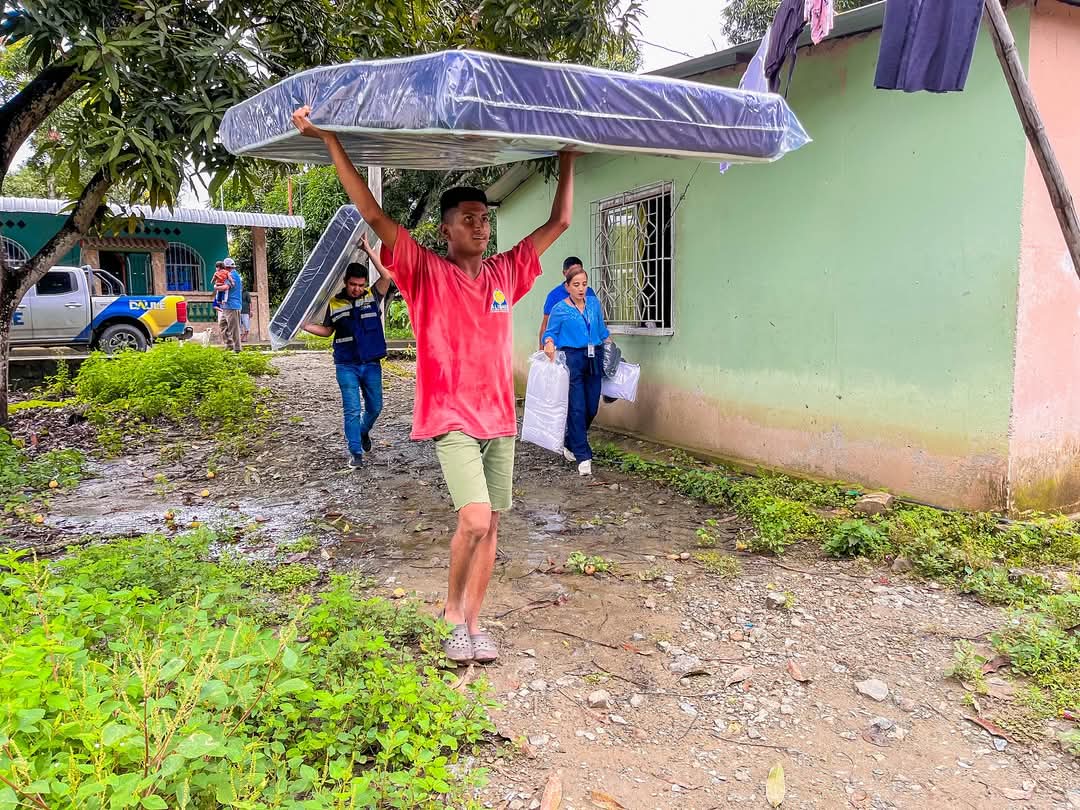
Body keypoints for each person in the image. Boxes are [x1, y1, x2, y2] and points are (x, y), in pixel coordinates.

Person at [291, 104, 577, 665]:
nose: (480, 226)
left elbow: (560, 222)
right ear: (446, 230)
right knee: (474, 517)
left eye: (484, 218)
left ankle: (474, 622)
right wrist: (329, 138)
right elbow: (371, 211)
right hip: (451, 417)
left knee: (492, 524)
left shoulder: (504, 272)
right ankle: (450, 613)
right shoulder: (424, 271)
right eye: (468, 218)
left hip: (500, 417)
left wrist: (568, 154)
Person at [301, 234, 392, 469]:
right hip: (346, 364)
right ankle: (355, 452)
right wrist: (304, 326)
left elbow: (386, 276)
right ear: (345, 282)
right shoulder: (334, 303)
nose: (357, 289)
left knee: (375, 407)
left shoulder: (372, 296)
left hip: (371, 364)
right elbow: (327, 331)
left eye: (361, 285)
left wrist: (368, 249)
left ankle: (363, 431)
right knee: (352, 409)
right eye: (353, 284)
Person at [543, 265, 610, 477]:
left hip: (595, 356)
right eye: (576, 285)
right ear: (567, 286)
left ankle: (570, 441)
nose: (581, 289)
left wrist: (612, 350)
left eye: (584, 284)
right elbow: (550, 333)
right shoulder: (560, 309)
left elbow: (601, 330)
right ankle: (583, 455)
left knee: (591, 407)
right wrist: (548, 343)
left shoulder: (593, 303)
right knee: (577, 407)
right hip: (573, 359)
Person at [538, 256, 596, 349]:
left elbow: (597, 320)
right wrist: (542, 350)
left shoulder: (589, 293)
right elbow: (546, 324)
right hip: (565, 349)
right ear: (564, 273)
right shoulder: (554, 296)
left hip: (589, 348)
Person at [215, 258, 243, 352]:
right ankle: (229, 345)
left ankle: (237, 349)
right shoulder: (229, 275)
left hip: (232, 305)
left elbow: (225, 287)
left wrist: (216, 287)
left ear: (227, 268)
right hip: (226, 305)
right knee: (222, 325)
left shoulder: (232, 275)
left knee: (234, 328)